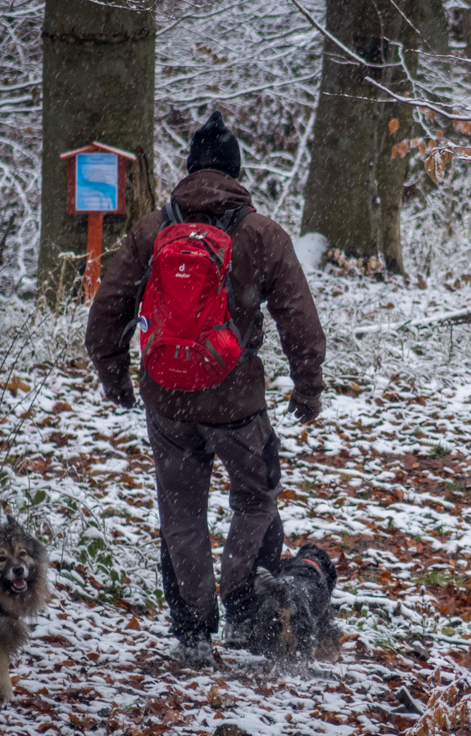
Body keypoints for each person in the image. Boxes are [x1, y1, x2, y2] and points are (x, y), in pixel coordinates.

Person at [85, 111, 325, 668]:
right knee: (256, 497)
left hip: (166, 400)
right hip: (238, 404)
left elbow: (106, 316)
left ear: (190, 170)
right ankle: (243, 607)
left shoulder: (152, 230)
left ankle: (192, 630)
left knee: (181, 510)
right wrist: (307, 387)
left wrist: (115, 378)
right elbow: (300, 322)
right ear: (238, 172)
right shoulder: (262, 234)